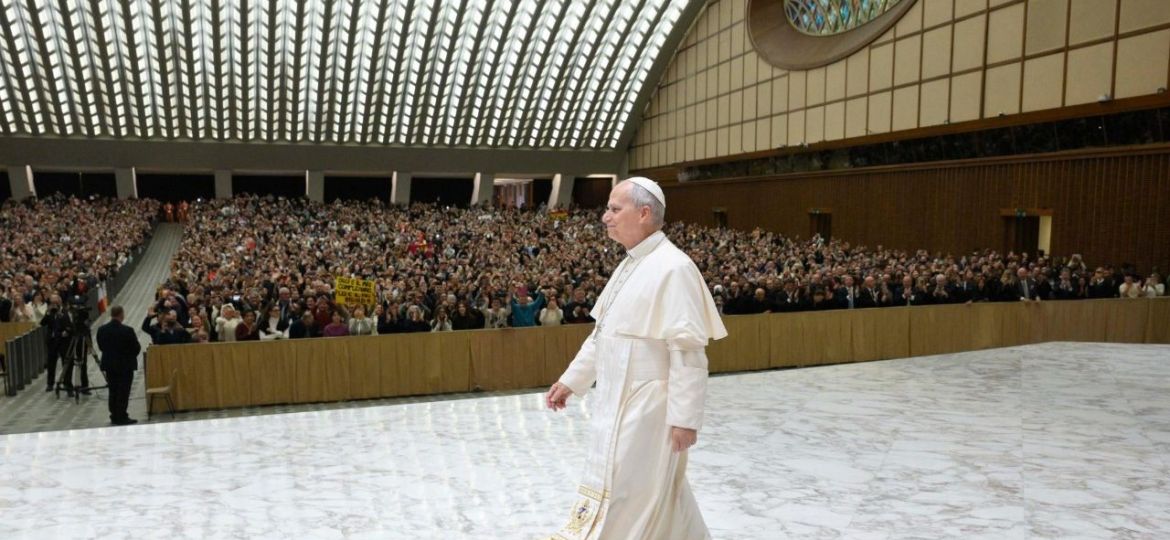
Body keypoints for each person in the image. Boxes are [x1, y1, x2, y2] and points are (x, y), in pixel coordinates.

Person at [545, 177, 726, 539]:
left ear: (644, 213)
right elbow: (603, 336)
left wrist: (685, 419)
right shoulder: (630, 264)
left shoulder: (674, 268)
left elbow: (688, 351)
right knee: (651, 493)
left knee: (636, 494)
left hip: (650, 407)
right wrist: (571, 380)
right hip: (617, 400)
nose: (605, 217)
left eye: (614, 209)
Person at [96, 305, 141, 426]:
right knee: (123, 391)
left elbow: (101, 347)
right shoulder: (127, 330)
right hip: (125, 365)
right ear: (121, 314)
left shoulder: (102, 330)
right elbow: (136, 348)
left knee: (113, 390)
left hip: (110, 365)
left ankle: (114, 415)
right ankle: (122, 415)